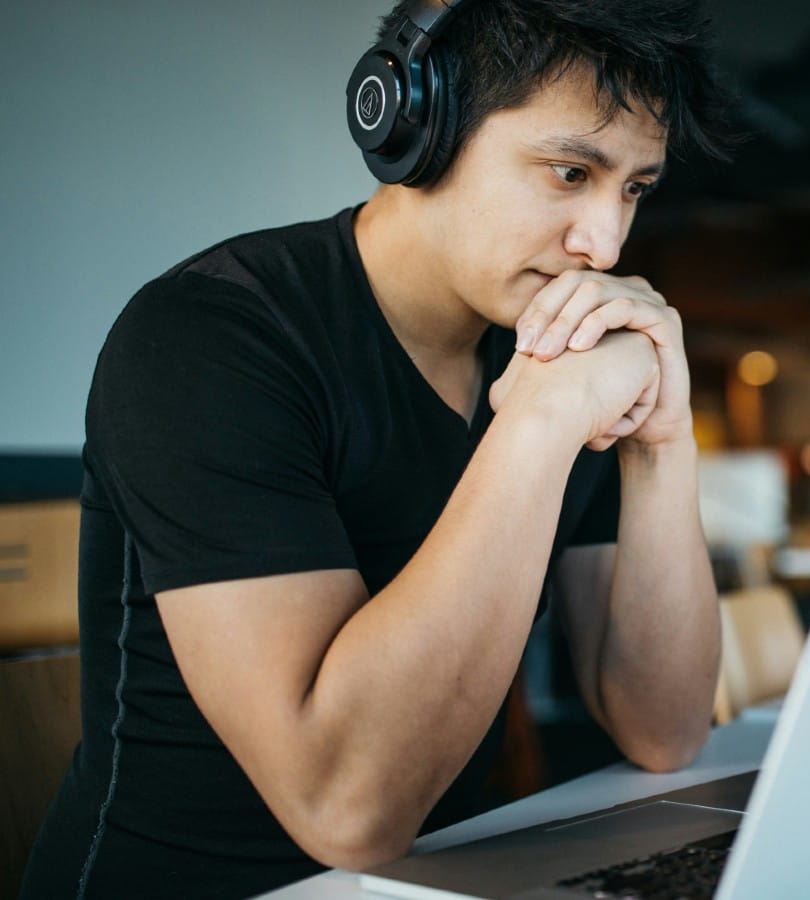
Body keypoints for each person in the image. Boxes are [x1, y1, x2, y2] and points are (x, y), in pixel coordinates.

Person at [22, 1, 736, 896]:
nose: (604, 242)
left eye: (634, 188)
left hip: (430, 884)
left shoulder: (554, 348)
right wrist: (540, 423)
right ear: (416, 127)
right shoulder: (208, 339)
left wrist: (661, 443)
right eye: (568, 172)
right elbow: (345, 812)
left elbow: (663, 730)